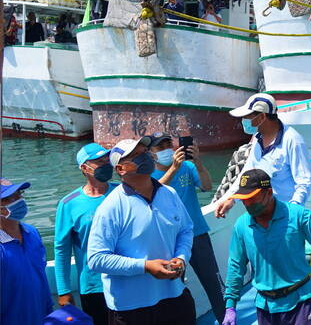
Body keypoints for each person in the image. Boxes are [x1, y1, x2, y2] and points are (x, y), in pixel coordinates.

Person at [221, 169, 311, 325]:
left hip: (300, 302)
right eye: (243, 199)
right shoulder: (241, 226)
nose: (247, 203)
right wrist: (230, 307)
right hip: (265, 307)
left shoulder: (297, 215)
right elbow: (235, 266)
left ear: (269, 192)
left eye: (252, 198)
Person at [87, 137, 196, 324]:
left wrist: (181, 257)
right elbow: (96, 259)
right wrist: (145, 267)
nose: (145, 157)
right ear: (120, 169)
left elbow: (186, 230)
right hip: (131, 309)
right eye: (136, 155)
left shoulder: (169, 193)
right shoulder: (111, 207)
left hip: (175, 296)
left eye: (144, 152)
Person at [150, 132, 226, 324]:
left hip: (197, 234)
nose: (167, 149)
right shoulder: (148, 176)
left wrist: (198, 162)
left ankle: (227, 320)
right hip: (169, 241)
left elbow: (208, 186)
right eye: (161, 147)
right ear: (151, 153)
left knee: (214, 284)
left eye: (169, 144)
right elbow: (151, 195)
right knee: (173, 290)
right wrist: (173, 169)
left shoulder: (188, 167)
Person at [215, 93, 311, 218]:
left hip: (286, 215)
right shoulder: (257, 138)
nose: (243, 121)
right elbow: (247, 172)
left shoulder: (293, 140)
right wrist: (231, 198)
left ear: (261, 117)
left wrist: (293, 211)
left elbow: (304, 182)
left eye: (247, 117)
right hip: (260, 213)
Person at [54, 143, 117, 325]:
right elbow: (61, 250)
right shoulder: (69, 204)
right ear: (84, 168)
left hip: (127, 278)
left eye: (107, 160)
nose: (106, 164)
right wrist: (64, 291)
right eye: (99, 161)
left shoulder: (123, 192)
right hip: (93, 285)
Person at [0, 178, 52, 325]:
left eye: (19, 194)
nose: (19, 200)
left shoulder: (33, 233)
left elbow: (41, 277)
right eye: (9, 198)